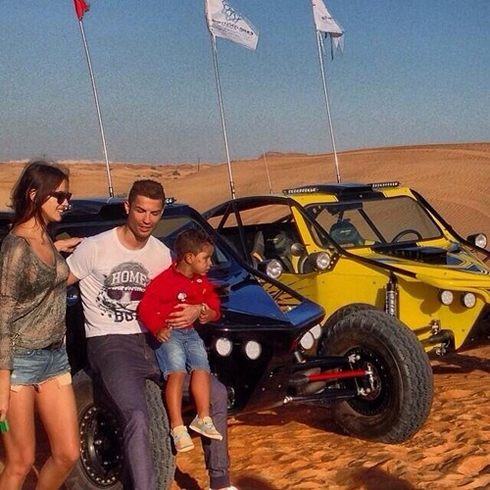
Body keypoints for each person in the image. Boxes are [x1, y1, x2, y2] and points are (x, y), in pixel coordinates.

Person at [66, 179, 236, 490]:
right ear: (127, 208)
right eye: (141, 210)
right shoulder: (95, 247)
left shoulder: (162, 254)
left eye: (155, 213)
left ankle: (220, 482)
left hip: (157, 342)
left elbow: (190, 294)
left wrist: (199, 310)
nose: (147, 220)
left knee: (216, 393)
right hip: (111, 343)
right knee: (137, 417)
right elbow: (59, 280)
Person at [0, 161, 81, 490]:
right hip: (19, 362)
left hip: (55, 358)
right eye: (59, 196)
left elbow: (51, 281)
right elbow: (2, 315)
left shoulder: (47, 239)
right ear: (35, 194)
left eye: (67, 195)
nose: (66, 203)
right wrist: (1, 381)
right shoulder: (15, 248)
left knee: (67, 454)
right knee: (20, 462)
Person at [138, 228, 222, 453]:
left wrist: (208, 313)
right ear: (189, 258)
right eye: (205, 259)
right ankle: (177, 426)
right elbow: (146, 306)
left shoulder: (200, 281)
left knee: (202, 367)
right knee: (176, 372)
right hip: (171, 333)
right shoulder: (164, 281)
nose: (209, 264)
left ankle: (203, 417)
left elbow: (213, 302)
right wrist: (157, 328)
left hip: (191, 333)